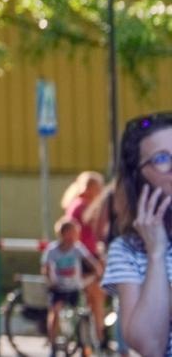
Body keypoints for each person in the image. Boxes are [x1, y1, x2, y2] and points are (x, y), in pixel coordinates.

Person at [102, 112, 172, 357]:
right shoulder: (127, 250)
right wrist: (156, 254)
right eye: (162, 158)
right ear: (139, 176)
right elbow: (150, 347)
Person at [62, 170, 110, 343]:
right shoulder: (83, 205)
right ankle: (100, 336)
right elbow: (96, 227)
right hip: (86, 258)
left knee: (93, 297)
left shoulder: (73, 203)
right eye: (99, 187)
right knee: (98, 297)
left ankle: (89, 339)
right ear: (90, 188)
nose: (101, 191)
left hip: (80, 258)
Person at [44, 217, 99, 348]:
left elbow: (91, 262)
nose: (72, 237)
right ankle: (52, 342)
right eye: (70, 233)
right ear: (62, 234)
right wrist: (50, 281)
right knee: (55, 311)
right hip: (59, 288)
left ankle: (84, 343)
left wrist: (95, 272)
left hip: (74, 287)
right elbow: (45, 268)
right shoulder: (52, 250)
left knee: (82, 313)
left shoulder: (77, 248)